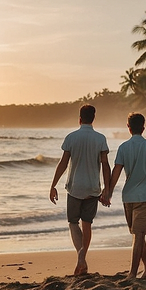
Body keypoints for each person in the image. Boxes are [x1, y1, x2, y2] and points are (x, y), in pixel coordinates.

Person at [102, 112, 146, 279]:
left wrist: (108, 192)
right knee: (138, 236)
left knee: (138, 235)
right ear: (143, 128)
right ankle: (132, 273)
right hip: (144, 197)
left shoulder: (123, 147)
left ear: (128, 128)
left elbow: (116, 172)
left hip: (128, 197)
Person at [49, 104, 110, 276]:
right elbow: (105, 165)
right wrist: (107, 188)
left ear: (80, 118)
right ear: (93, 118)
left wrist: (53, 185)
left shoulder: (71, 137)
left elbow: (63, 163)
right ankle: (83, 255)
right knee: (87, 223)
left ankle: (80, 256)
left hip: (75, 187)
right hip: (93, 187)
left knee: (73, 222)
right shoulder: (100, 139)